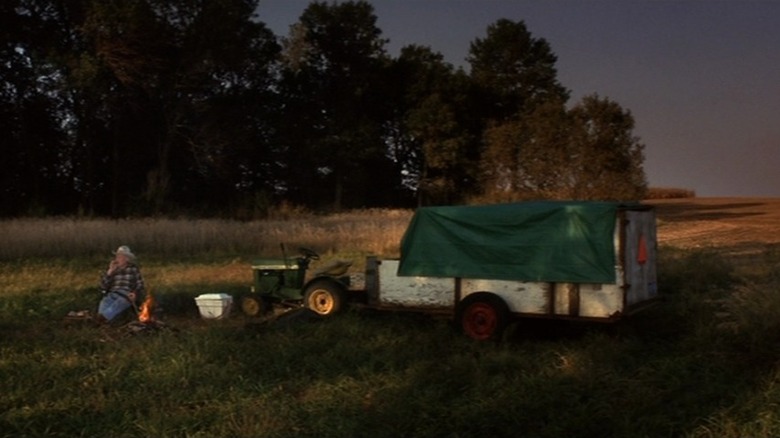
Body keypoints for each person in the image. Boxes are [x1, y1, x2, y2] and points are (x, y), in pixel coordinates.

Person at [97, 245, 145, 323]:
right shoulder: (112, 270)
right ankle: (103, 320)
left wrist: (135, 293)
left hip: (126, 294)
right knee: (104, 303)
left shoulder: (133, 269)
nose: (117, 259)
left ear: (126, 259)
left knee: (118, 304)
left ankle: (101, 320)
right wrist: (110, 272)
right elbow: (103, 287)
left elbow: (140, 284)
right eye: (117, 256)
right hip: (112, 293)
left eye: (120, 257)